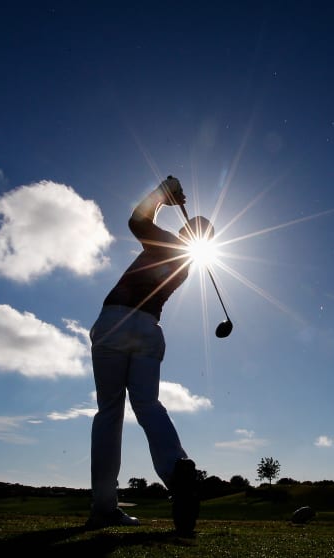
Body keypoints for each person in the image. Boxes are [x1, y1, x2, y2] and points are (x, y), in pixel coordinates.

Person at [85, 176, 213, 534]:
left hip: (115, 323)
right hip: (149, 331)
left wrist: (161, 193)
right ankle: (177, 470)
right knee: (149, 406)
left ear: (185, 230)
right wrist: (167, 200)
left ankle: (104, 508)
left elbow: (137, 222)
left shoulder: (169, 244)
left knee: (110, 412)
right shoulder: (187, 262)